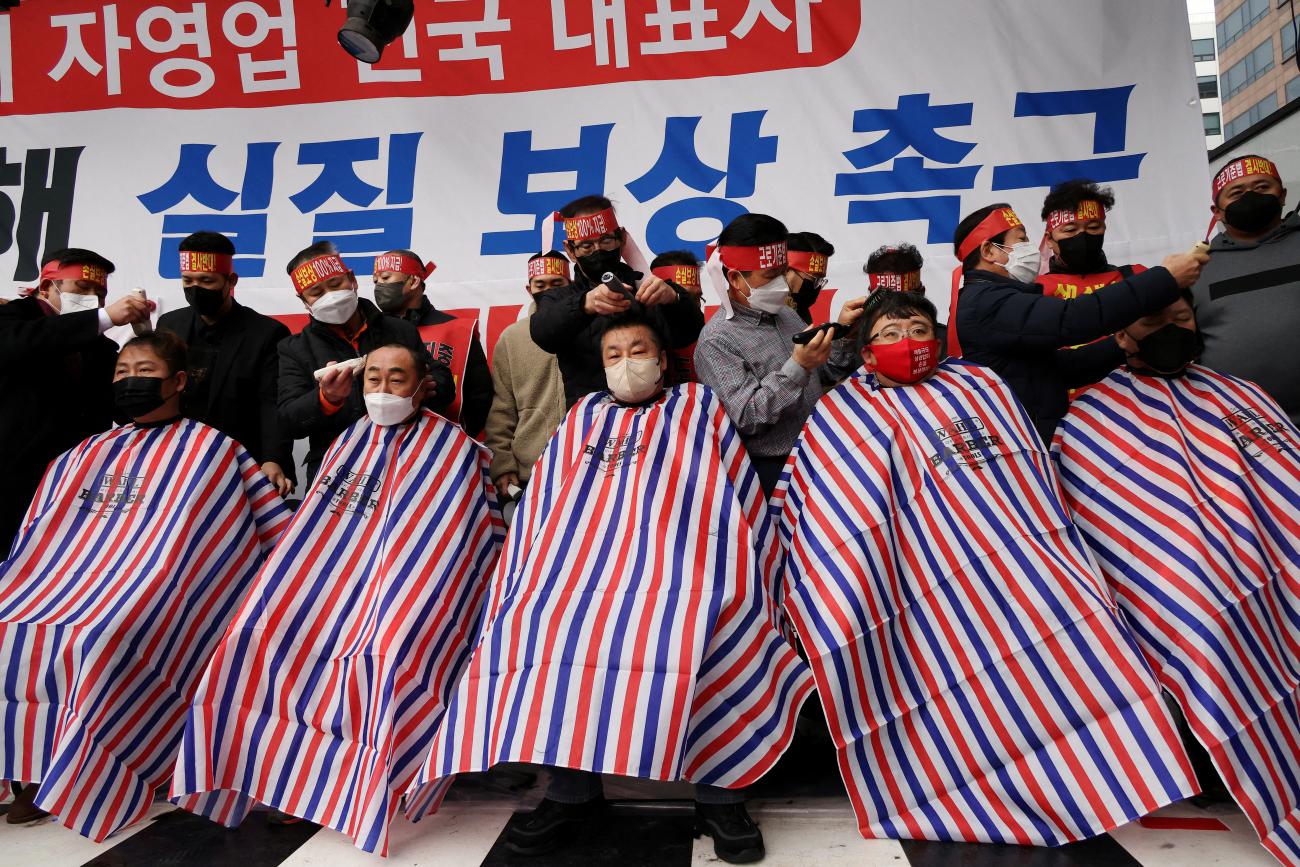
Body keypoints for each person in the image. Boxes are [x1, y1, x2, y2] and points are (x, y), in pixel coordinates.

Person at [775, 290, 1197, 849]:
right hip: (915, 582)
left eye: (919, 329)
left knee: (1050, 673)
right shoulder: (843, 411)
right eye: (892, 335)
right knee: (945, 690)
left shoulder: (982, 386)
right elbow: (827, 507)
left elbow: (1028, 472)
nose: (909, 343)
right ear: (867, 353)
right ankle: (951, 789)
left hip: (1013, 570)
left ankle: (1077, 782)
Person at [413, 314, 812, 864]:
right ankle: (571, 793)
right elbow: (548, 506)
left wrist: (711, 568)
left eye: (638, 349)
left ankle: (721, 796)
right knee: (540, 626)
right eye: (613, 355)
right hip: (584, 572)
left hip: (684, 568)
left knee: (713, 626)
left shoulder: (697, 408)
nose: (627, 363)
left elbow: (727, 500)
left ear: (663, 356)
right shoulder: (582, 416)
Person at [173, 344, 502, 855]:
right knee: (256, 634)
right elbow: (316, 531)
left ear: (422, 388)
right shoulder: (348, 441)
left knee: (383, 649)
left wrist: (387, 594)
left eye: (397, 379)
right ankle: (282, 778)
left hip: (411, 590)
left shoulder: (455, 449)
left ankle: (369, 786)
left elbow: (463, 544)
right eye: (374, 378)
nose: (384, 389)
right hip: (331, 584)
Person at [0, 331, 288, 836]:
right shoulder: (85, 452)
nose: (131, 382)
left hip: (156, 588)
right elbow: (37, 535)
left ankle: (91, 774)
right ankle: (26, 771)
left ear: (178, 381)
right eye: (122, 374)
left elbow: (252, 537)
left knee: (100, 635)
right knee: (10, 622)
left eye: (145, 372)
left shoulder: (213, 450)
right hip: (67, 582)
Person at [1051, 293, 1300, 866]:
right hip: (1179, 576)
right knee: (1200, 613)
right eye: (1153, 322)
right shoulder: (1093, 416)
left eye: (1180, 319)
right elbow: (1106, 520)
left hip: (1271, 557)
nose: (1170, 329)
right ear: (1120, 335)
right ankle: (1228, 755)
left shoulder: (1243, 394)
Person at [949, 203, 1207, 441]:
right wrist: (1165, 279)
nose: (1030, 247)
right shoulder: (986, 302)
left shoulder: (993, 299)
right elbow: (1072, 318)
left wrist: (1124, 344)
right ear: (989, 250)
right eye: (1021, 239)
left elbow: (1059, 370)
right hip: (1025, 443)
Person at [694, 213, 865, 495]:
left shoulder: (786, 314)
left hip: (820, 453)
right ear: (736, 279)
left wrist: (844, 333)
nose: (782, 284)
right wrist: (797, 366)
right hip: (773, 473)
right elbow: (747, 417)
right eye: (771, 276)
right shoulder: (717, 341)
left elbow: (824, 374)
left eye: (783, 271)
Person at [0, 249, 150, 550]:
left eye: (101, 293)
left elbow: (121, 409)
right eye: (82, 289)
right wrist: (105, 317)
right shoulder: (11, 320)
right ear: (46, 287)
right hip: (9, 474)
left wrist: (147, 347)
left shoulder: (101, 347)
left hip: (71, 481)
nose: (93, 298)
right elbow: (26, 343)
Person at [276, 241, 451, 482]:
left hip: (409, 459)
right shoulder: (294, 349)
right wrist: (326, 398)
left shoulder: (400, 330)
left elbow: (442, 380)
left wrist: (425, 387)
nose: (331, 296)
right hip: (337, 469)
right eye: (316, 292)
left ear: (352, 280)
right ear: (304, 300)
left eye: (336, 284)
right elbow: (289, 421)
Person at [530, 195, 705, 406]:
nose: (598, 251)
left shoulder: (648, 287)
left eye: (605, 241)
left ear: (621, 238)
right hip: (590, 419)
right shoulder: (561, 297)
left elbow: (689, 333)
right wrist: (584, 304)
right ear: (570, 250)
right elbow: (542, 331)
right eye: (586, 246)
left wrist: (674, 299)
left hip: (656, 418)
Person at [157, 231, 296, 495]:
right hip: (174, 459)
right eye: (188, 280)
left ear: (230, 280)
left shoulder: (266, 333)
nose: (195, 289)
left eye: (206, 280)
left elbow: (271, 402)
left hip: (238, 461)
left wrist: (273, 458)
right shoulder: (169, 324)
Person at [1191, 154, 1300, 424]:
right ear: (1216, 211)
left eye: (1262, 187)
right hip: (1244, 434)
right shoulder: (1194, 269)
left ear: (1283, 195)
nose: (1250, 196)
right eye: (1236, 192)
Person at [1036, 180, 1148, 381]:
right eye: (1070, 230)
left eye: (1093, 227)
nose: (1082, 236)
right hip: (1066, 406)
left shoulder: (1137, 277)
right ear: (1050, 239)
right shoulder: (1033, 290)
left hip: (1135, 402)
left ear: (1104, 229)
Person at [372, 248, 492, 435]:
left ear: (413, 281)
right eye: (375, 280)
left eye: (386, 278)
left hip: (446, 444)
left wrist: (462, 439)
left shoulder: (458, 329)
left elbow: (480, 396)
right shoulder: (370, 331)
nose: (379, 285)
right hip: (380, 444)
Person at [485, 252, 569, 507]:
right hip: (529, 473)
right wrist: (502, 463)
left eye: (557, 283)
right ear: (528, 288)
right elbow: (502, 407)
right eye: (540, 285)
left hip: (586, 463)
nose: (548, 291)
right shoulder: (512, 338)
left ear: (571, 283)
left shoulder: (591, 326)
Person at [862, 242, 945, 345]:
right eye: (887, 299)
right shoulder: (852, 340)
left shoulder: (946, 339)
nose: (896, 308)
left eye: (906, 299)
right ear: (871, 299)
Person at [648, 249, 705, 383]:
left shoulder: (712, 337)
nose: (690, 306)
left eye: (695, 298)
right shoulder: (639, 340)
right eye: (678, 297)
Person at [785, 231, 835, 324]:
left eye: (821, 280)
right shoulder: (768, 313)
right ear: (786, 271)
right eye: (815, 278)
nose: (817, 287)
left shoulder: (801, 311)